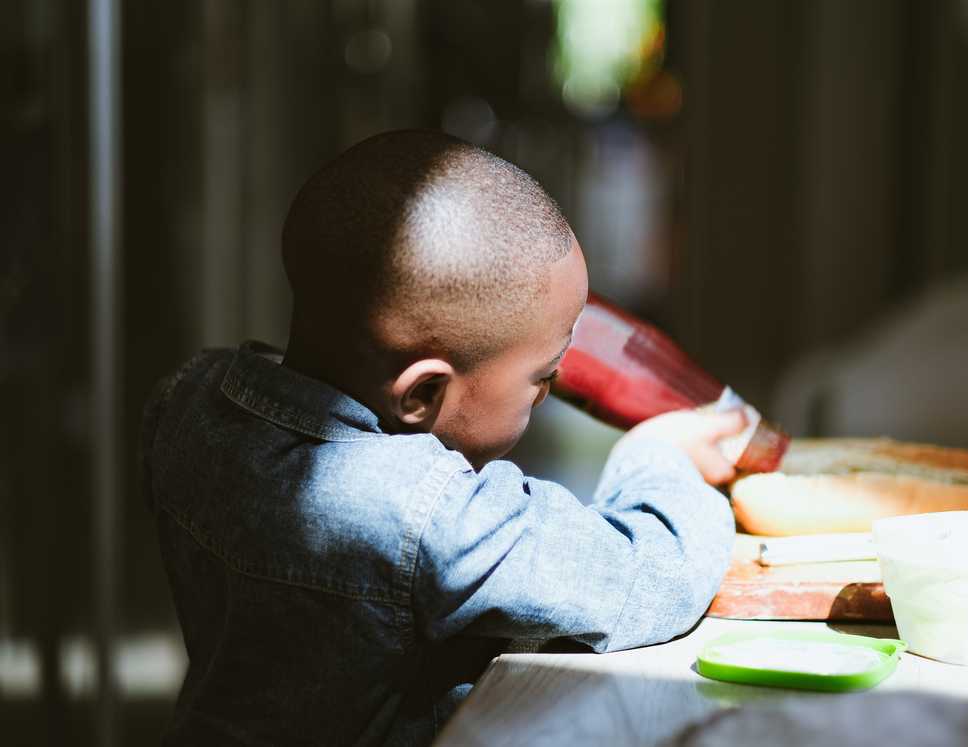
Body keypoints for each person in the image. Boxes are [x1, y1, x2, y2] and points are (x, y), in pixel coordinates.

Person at [142, 129, 744, 746]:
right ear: (422, 395)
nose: (552, 388)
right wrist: (657, 457)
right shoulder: (432, 520)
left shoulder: (188, 399)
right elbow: (653, 575)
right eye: (542, 377)